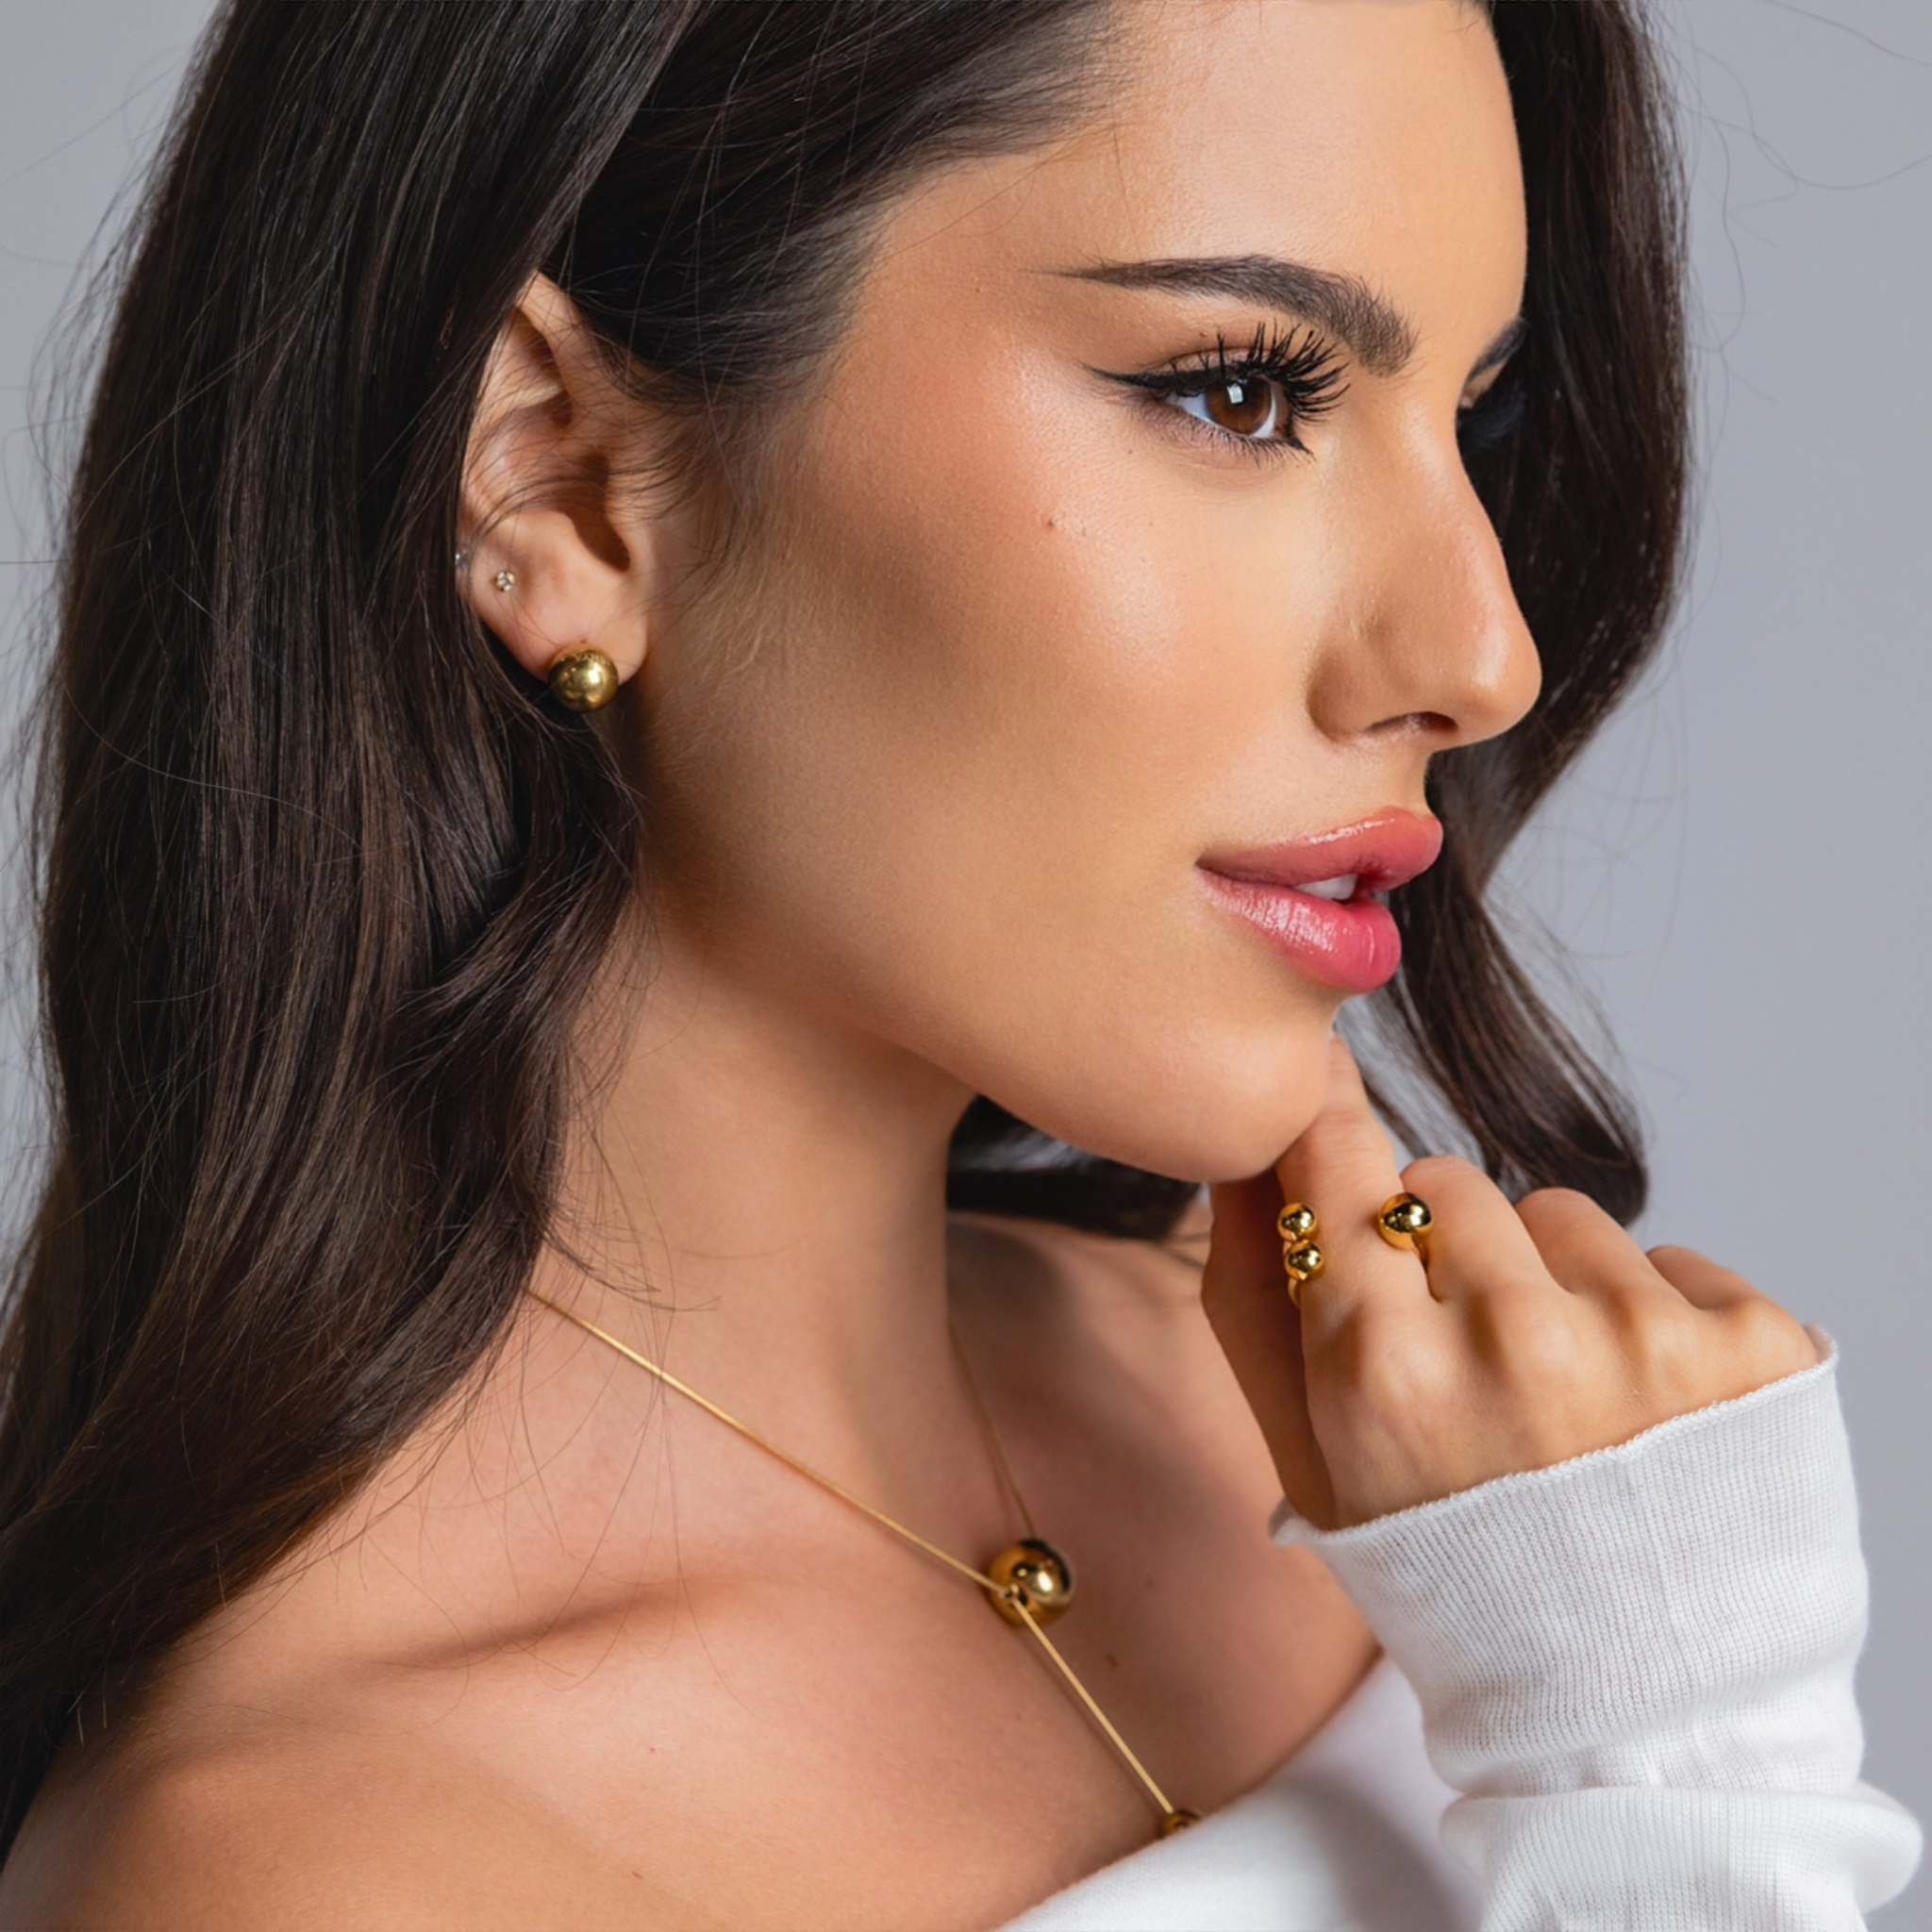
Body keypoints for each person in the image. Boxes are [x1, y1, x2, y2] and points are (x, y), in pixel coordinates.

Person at [0, 1, 1920, 1925]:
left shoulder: (1384, 1439)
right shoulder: (313, 1874)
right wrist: (1677, 1765)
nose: (1478, 650)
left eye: (1473, 412)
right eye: (1242, 391)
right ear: (553, 478)